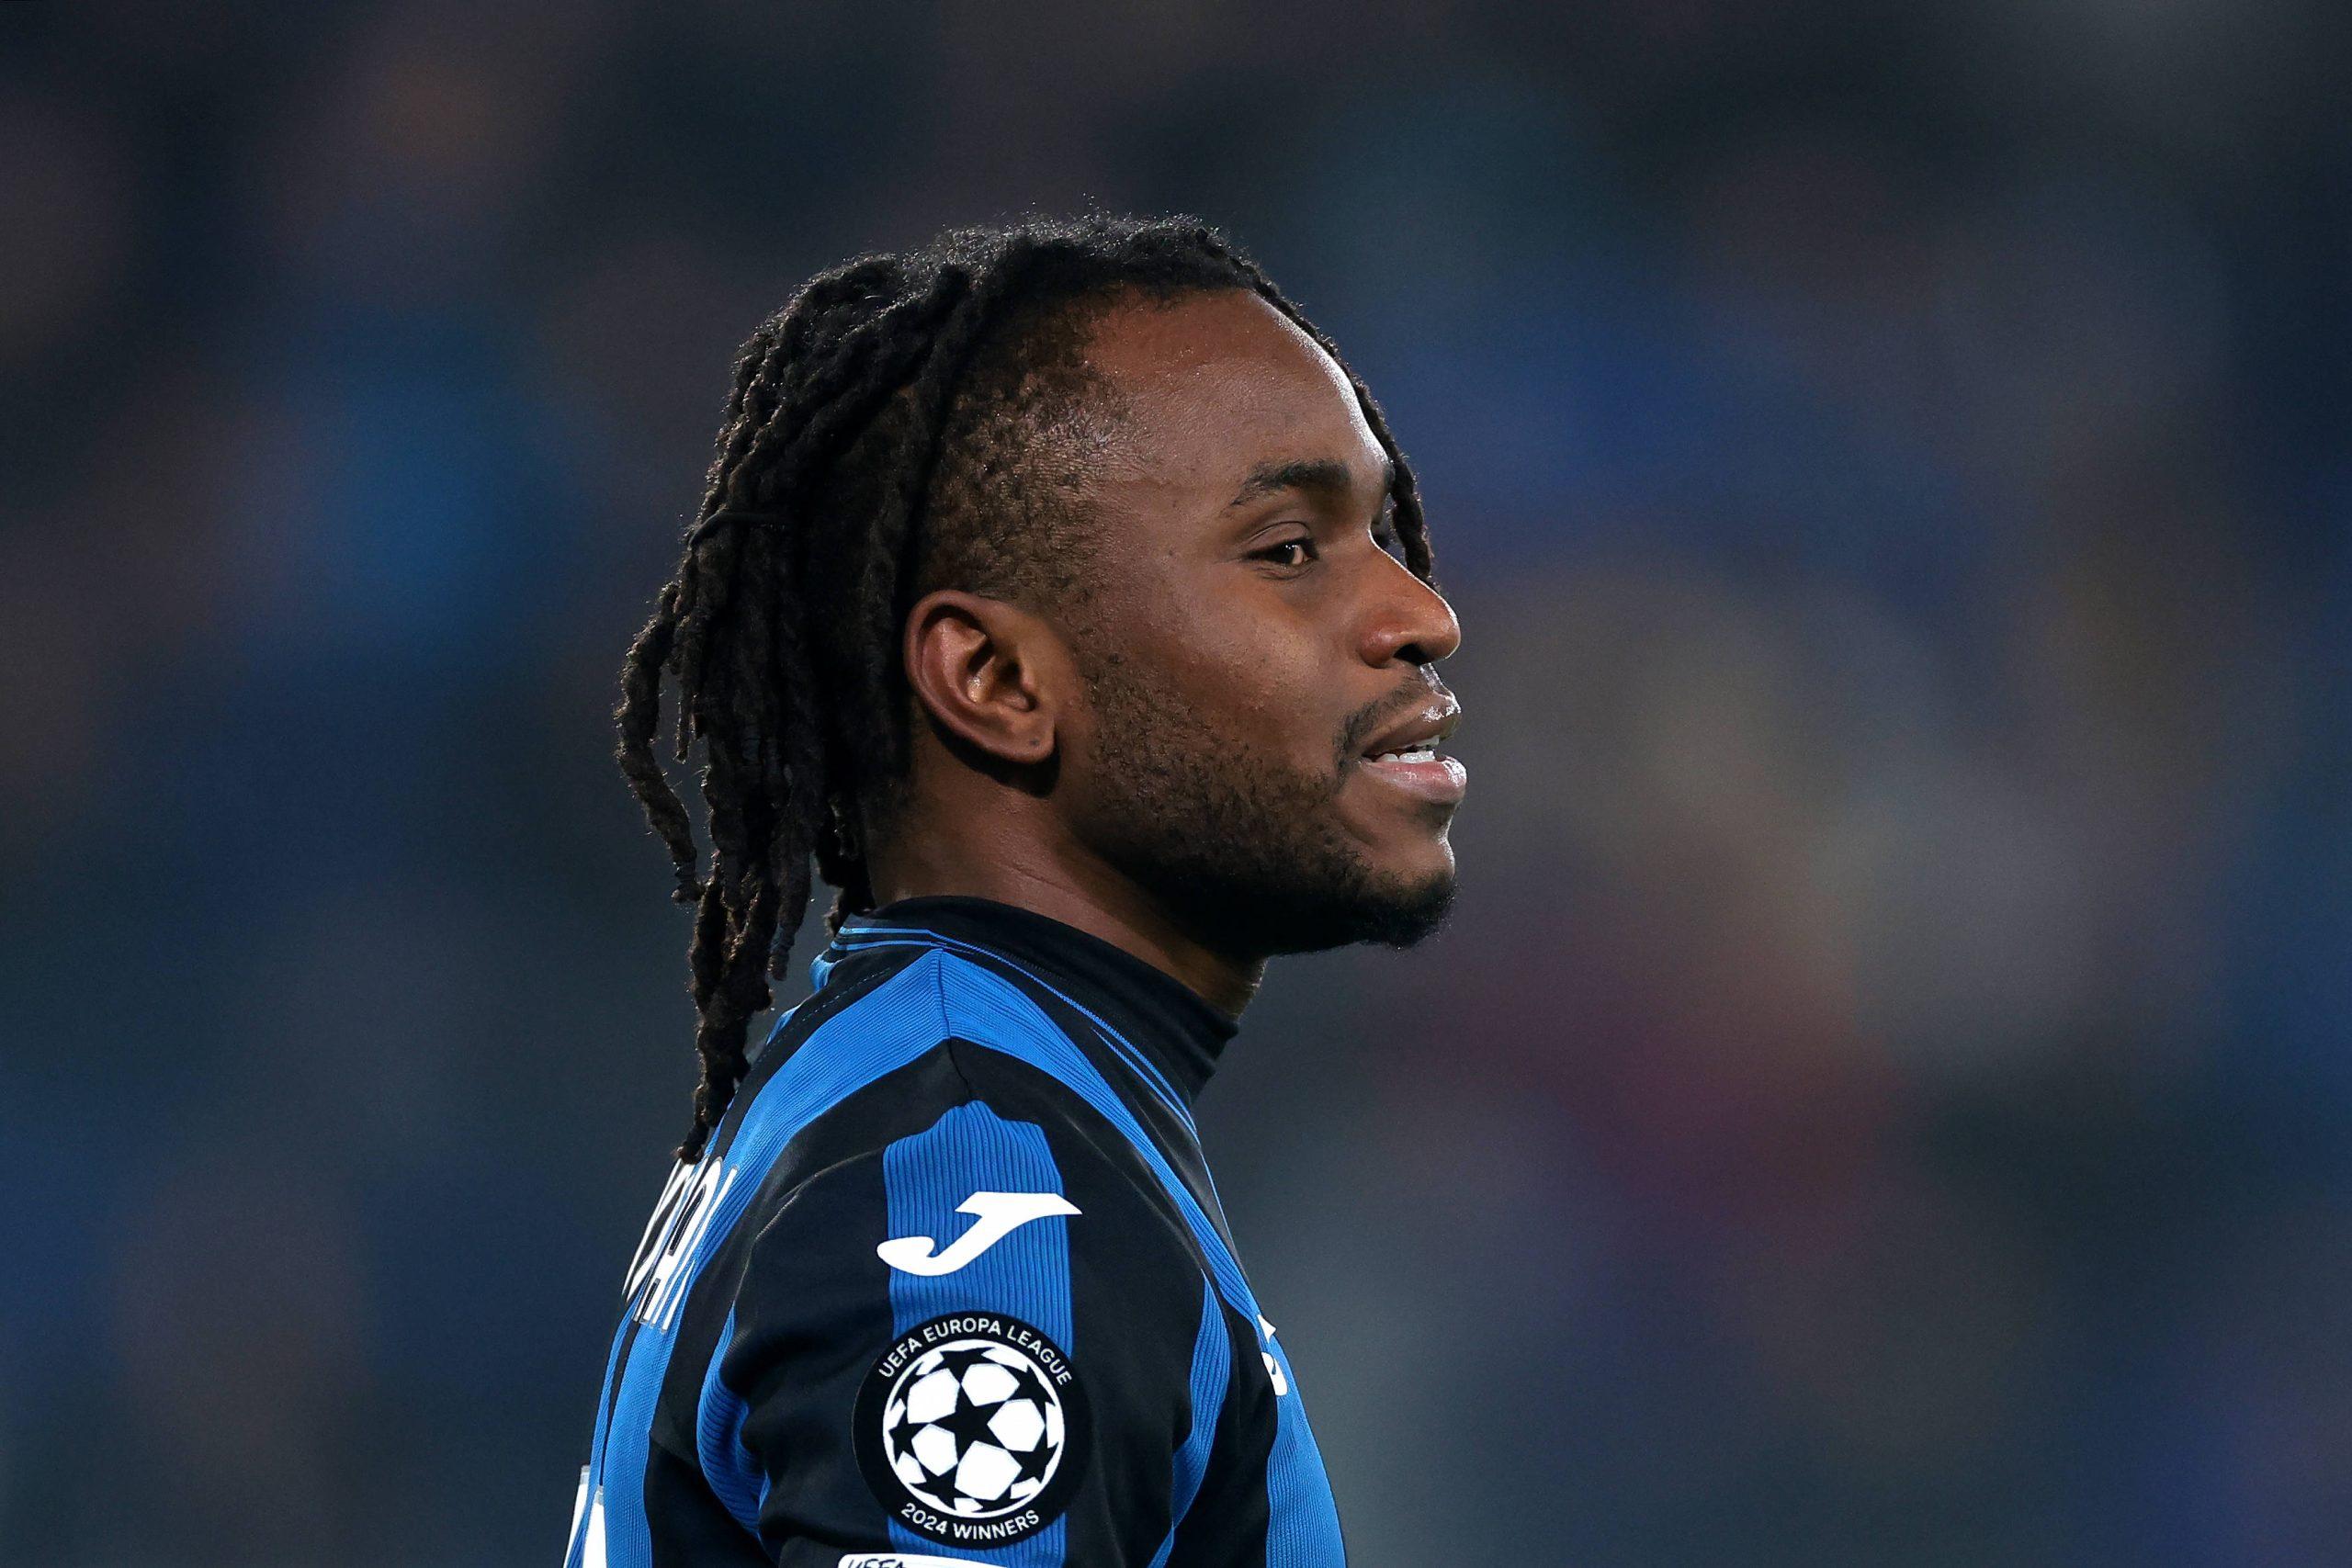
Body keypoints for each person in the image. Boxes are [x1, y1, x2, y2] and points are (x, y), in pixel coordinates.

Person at [565, 212, 1465, 1568]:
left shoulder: (922, 1082)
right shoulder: (979, 1196)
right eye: (1289, 549)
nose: (1418, 614)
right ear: (996, 682)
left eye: (1383, 529)